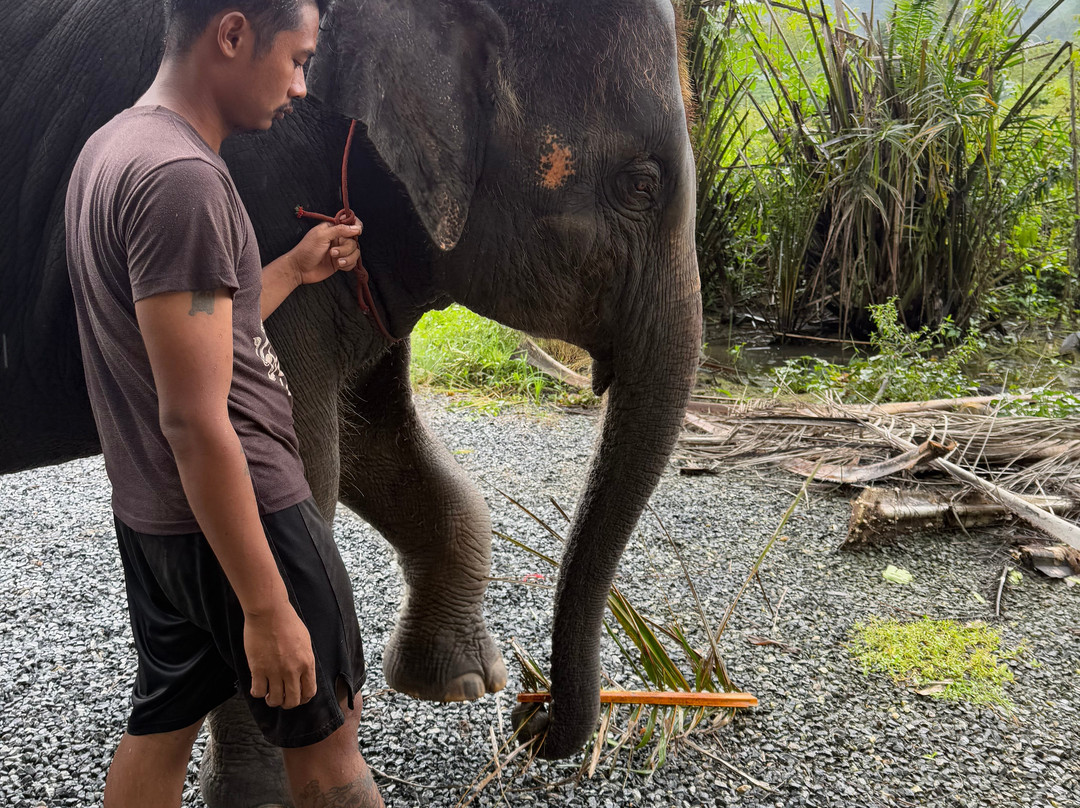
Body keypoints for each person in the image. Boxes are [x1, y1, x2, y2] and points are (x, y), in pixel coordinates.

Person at [64, 1, 384, 806]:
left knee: (161, 730)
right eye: (299, 59)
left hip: (159, 522)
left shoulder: (115, 149)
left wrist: (295, 268)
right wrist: (269, 606)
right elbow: (196, 420)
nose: (304, 87)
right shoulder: (185, 184)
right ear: (233, 35)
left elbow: (191, 335)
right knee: (329, 755)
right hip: (248, 520)